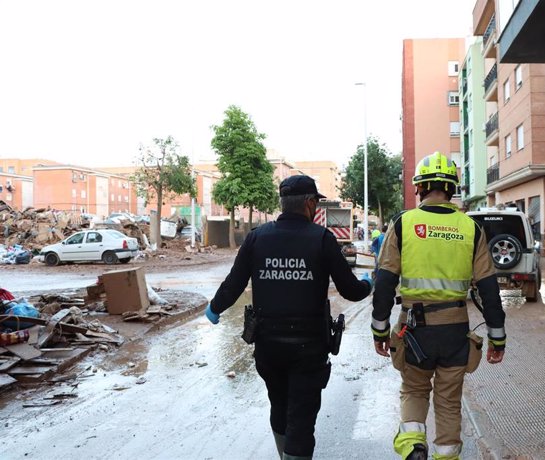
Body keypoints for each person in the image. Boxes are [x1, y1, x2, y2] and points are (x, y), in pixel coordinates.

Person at [206, 175, 373, 460]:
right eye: (316, 203)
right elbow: (350, 291)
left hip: (269, 347)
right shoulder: (322, 239)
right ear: (309, 203)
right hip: (309, 348)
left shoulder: (257, 238)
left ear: (283, 203)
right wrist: (370, 282)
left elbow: (234, 283)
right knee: (302, 419)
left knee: (280, 407)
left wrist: (215, 308)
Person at [370, 152, 506, 460]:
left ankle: (414, 445)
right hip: (456, 333)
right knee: (448, 401)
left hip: (414, 331)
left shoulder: (404, 224)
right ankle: (446, 455)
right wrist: (498, 337)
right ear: (452, 189)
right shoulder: (471, 228)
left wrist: (379, 330)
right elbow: (488, 289)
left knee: (415, 390)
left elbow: (384, 282)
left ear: (419, 188)